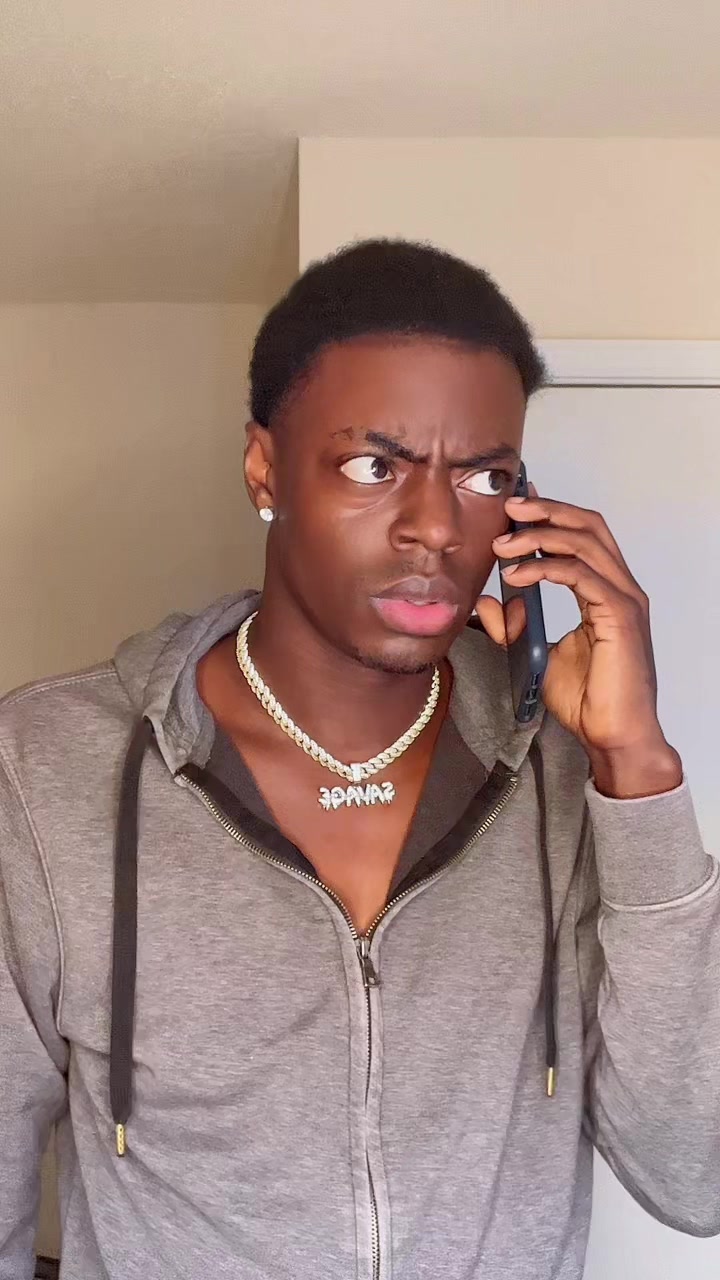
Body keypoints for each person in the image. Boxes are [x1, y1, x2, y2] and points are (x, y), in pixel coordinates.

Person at [1, 239, 718, 1280]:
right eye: (374, 466)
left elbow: (694, 1173)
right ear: (265, 469)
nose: (435, 528)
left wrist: (637, 766)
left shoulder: (563, 771)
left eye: (485, 476)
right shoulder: (44, 768)